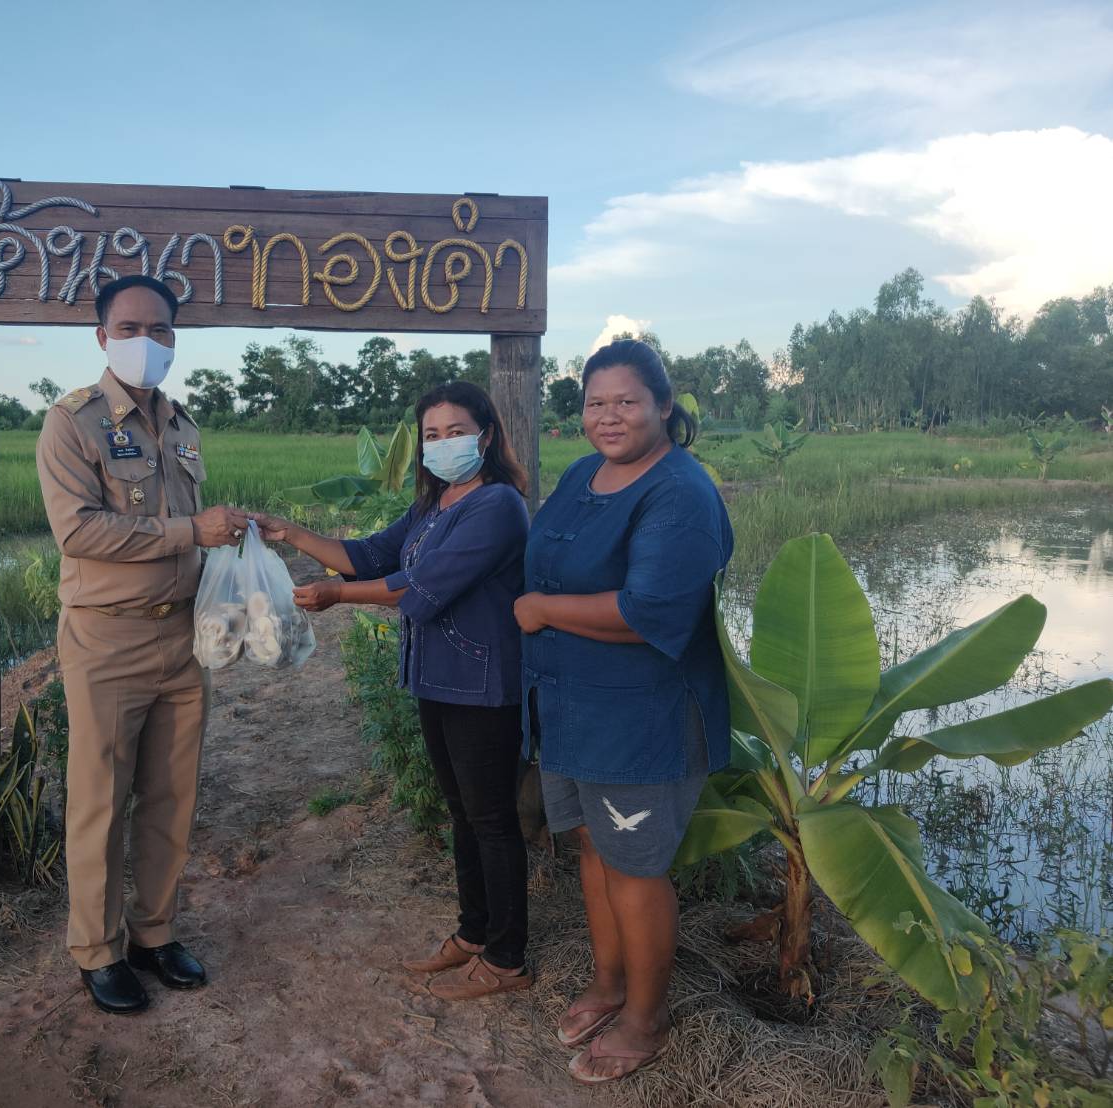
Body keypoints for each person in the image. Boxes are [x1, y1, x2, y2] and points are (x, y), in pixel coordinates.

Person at [254, 381, 533, 999]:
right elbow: (371, 554)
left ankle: (508, 958)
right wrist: (291, 532)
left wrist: (335, 594)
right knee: (463, 814)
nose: (442, 444)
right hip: (437, 679)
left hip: (485, 686)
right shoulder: (433, 506)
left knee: (491, 820)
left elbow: (420, 584)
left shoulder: (497, 507)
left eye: (455, 432)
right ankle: (473, 932)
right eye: (431, 435)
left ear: (485, 436)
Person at [513, 339, 733, 1083]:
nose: (608, 417)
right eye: (594, 403)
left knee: (635, 868)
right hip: (568, 710)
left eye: (626, 401)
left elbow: (648, 610)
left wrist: (541, 608)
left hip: (641, 720)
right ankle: (608, 985)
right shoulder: (582, 475)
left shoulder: (680, 492)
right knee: (590, 849)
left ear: (664, 407)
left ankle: (646, 1019)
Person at [36, 274, 249, 1015]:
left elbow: (191, 528)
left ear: (173, 340)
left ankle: (154, 934)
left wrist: (225, 539)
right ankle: (96, 950)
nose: (145, 342)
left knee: (171, 794)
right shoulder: (72, 422)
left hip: (182, 635)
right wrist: (193, 530)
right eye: (128, 329)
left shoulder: (184, 426)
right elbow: (80, 530)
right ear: (102, 337)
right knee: (99, 799)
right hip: (106, 641)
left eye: (158, 330)